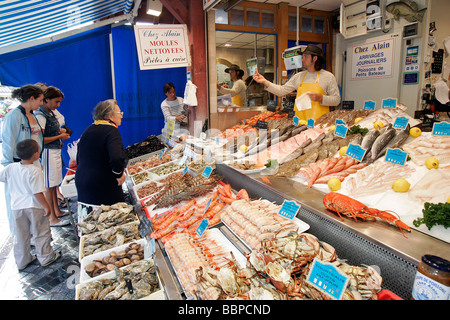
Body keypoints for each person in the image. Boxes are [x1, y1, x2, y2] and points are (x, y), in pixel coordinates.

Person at [0, 139, 61, 270]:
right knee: (41, 232)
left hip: (17, 207)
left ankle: (22, 260)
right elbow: (37, 193)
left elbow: (2, 177)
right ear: (35, 155)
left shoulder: (11, 167)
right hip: (34, 206)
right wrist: (46, 206)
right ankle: (45, 257)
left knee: (21, 234)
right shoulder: (34, 170)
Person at [253, 44, 340, 121]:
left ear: (315, 58)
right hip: (299, 123)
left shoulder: (328, 77)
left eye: (305, 57)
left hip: (319, 124)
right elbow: (281, 91)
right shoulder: (299, 76)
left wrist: (321, 98)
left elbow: (336, 100)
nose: (302, 60)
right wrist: (264, 81)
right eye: (302, 57)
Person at [1, 84, 44, 236]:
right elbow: (7, 142)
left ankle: (35, 232)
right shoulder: (14, 116)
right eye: (40, 99)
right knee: (20, 202)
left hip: (34, 162)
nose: (41, 103)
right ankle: (21, 235)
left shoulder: (31, 114)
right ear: (31, 98)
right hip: (19, 165)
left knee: (36, 198)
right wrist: (9, 166)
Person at [75, 99, 127, 223]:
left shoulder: (89, 129)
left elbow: (78, 158)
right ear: (109, 115)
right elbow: (116, 157)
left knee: (91, 223)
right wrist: (118, 174)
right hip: (101, 185)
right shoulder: (111, 130)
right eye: (119, 113)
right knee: (109, 222)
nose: (121, 116)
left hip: (83, 183)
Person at [35, 86, 71, 227]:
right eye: (56, 102)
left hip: (55, 151)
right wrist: (60, 136)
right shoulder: (41, 115)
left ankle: (56, 210)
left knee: (55, 184)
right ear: (46, 99)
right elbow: (41, 138)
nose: (58, 105)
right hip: (48, 152)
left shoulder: (50, 113)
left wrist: (59, 131)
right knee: (49, 186)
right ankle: (52, 217)